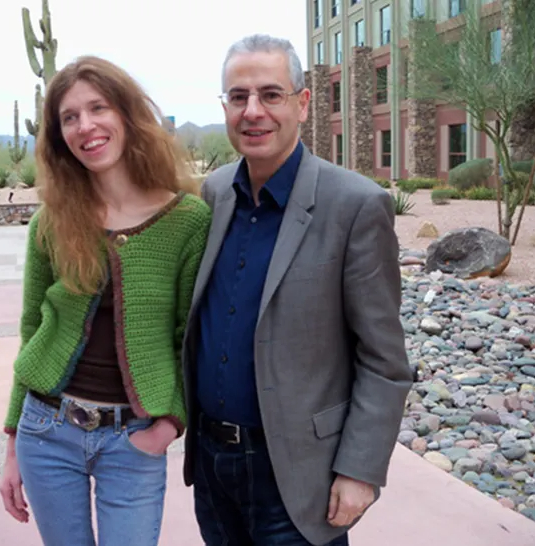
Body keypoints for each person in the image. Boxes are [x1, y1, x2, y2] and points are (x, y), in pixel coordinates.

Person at [181, 34, 412, 546]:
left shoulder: (355, 205)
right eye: (238, 97)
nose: (253, 111)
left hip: (300, 477)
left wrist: (360, 470)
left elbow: (384, 359)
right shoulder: (214, 194)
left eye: (271, 94)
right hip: (213, 469)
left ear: (303, 103)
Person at [0, 55, 212, 546]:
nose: (85, 126)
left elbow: (190, 336)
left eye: (98, 108)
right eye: (69, 117)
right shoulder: (51, 222)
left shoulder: (187, 220)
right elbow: (32, 328)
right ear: (59, 137)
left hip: (132, 441)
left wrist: (168, 425)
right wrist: (12, 444)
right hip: (46, 430)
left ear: (126, 114)